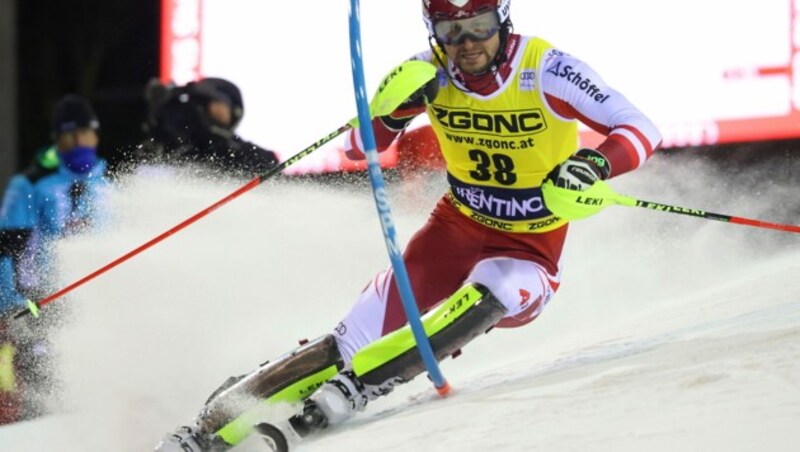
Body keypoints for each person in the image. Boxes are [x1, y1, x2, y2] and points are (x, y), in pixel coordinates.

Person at [157, 1, 663, 449]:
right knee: (349, 337)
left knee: (498, 287)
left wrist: (594, 165)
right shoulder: (427, 72)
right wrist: (391, 112)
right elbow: (360, 147)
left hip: (531, 244)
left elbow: (640, 127)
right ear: (432, 29)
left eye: (480, 26)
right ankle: (213, 421)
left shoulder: (546, 68)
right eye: (449, 31)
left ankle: (364, 385)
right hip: (455, 230)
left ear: (503, 20)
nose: (466, 44)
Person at [0, 94, 110, 420]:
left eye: (85, 134)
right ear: (57, 140)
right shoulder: (31, 184)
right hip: (42, 308)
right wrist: (17, 307)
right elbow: (8, 251)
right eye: (69, 136)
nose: (79, 143)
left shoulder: (108, 187)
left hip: (98, 309)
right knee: (43, 399)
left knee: (96, 397)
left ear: (96, 136)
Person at [130, 77, 279, 178]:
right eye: (215, 102)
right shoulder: (187, 132)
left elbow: (265, 161)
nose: (219, 109)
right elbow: (160, 136)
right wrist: (161, 105)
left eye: (223, 104)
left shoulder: (233, 145)